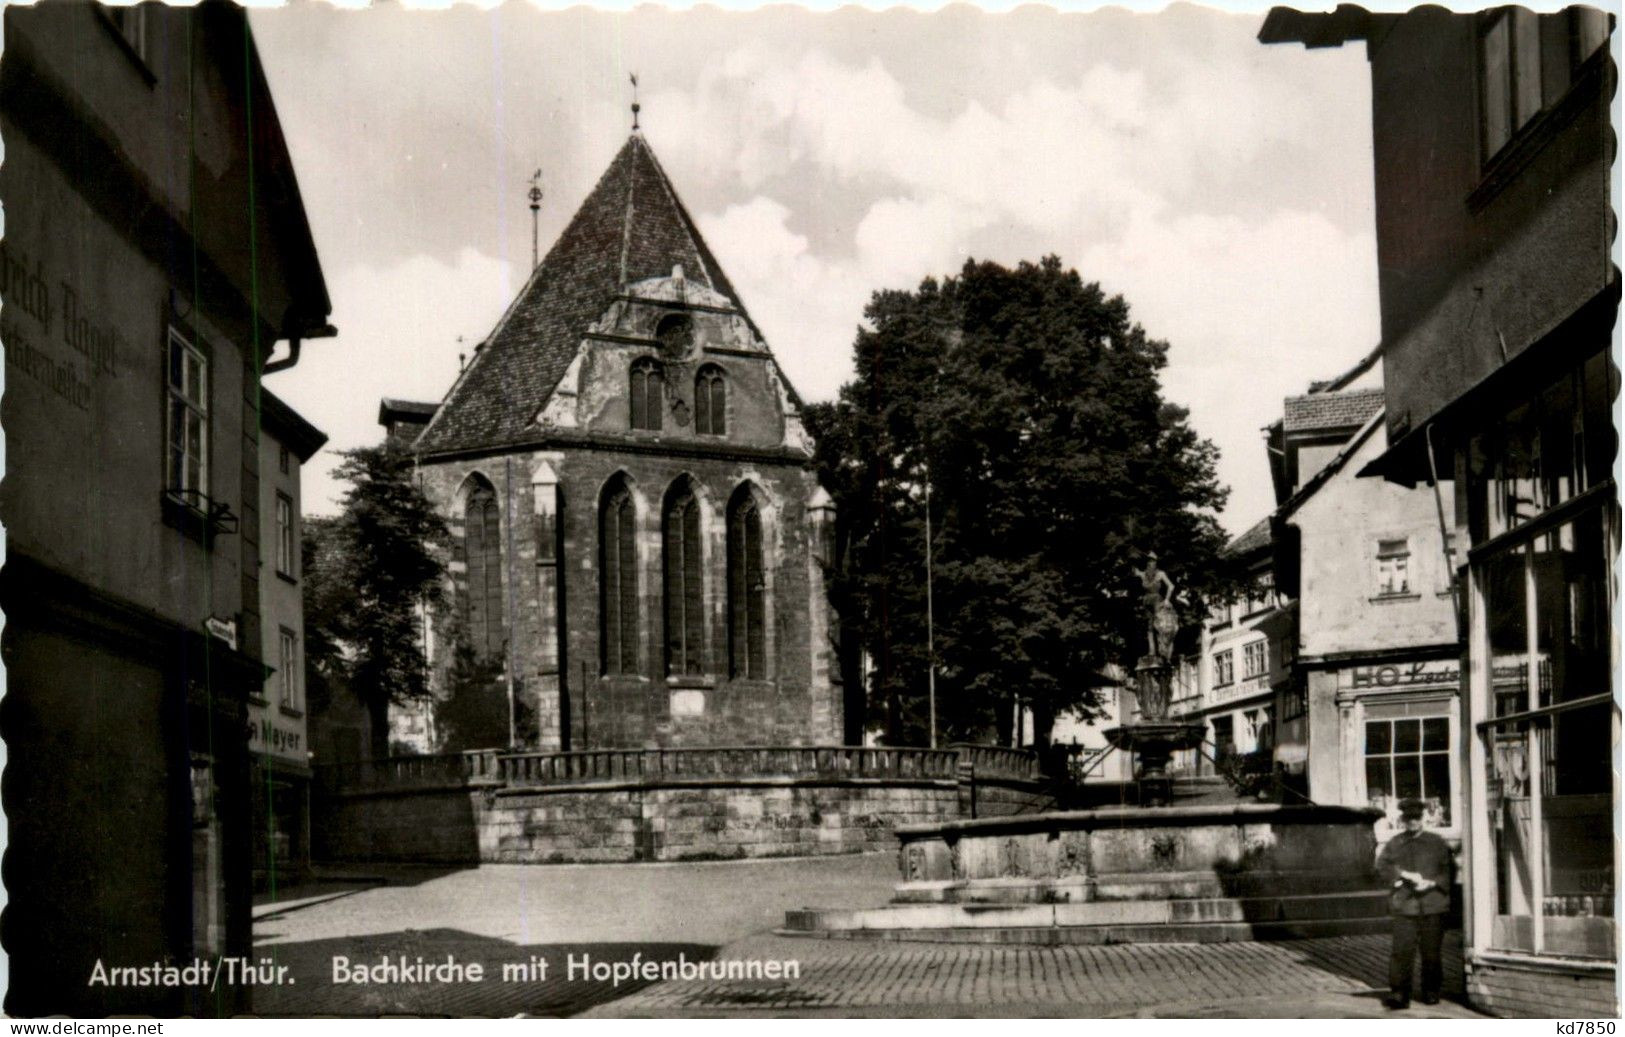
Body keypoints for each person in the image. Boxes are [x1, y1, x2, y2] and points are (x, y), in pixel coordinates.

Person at [1375, 797, 1453, 1009]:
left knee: (1431, 952)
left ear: (1423, 818)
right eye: (1408, 818)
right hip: (1405, 907)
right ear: (1402, 819)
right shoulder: (1395, 843)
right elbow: (1382, 866)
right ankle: (1400, 993)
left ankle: (1431, 990)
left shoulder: (1437, 842)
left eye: (1416, 817)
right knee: (1401, 951)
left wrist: (1431, 883)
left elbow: (1448, 870)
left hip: (1433, 905)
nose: (1412, 822)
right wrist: (1401, 875)